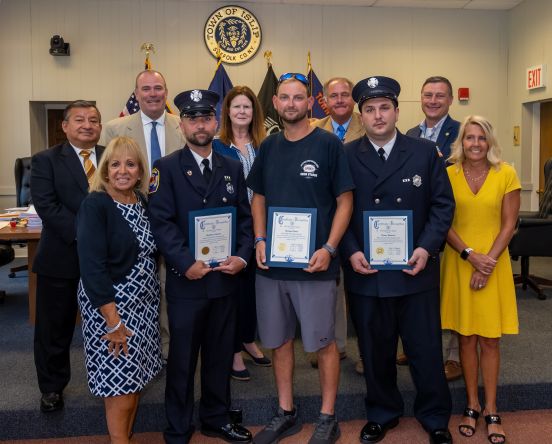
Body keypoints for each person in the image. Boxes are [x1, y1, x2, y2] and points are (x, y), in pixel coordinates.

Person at [340, 76, 455, 444]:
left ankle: (435, 416)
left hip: (415, 269)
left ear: (396, 111)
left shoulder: (424, 153)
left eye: (384, 108)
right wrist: (352, 250)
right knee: (375, 350)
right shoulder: (345, 156)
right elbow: (336, 210)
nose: (378, 116)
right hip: (367, 271)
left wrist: (426, 247)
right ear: (362, 115)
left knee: (424, 349)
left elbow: (442, 206)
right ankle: (382, 413)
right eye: (370, 109)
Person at [247, 73, 354, 444]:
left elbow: (345, 201)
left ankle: (327, 417)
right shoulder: (269, 147)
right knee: (278, 341)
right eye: (284, 98)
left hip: (315, 266)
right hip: (273, 265)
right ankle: (286, 411)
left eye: (298, 98)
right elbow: (258, 196)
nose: (291, 104)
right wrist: (259, 238)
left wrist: (328, 248)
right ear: (274, 104)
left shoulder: (328, 145)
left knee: (323, 343)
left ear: (310, 103)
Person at [147, 89, 253, 444]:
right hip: (187, 283)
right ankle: (178, 427)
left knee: (220, 355)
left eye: (206, 117)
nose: (200, 124)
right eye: (192, 118)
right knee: (182, 360)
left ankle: (215, 418)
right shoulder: (166, 168)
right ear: (183, 125)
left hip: (224, 281)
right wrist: (184, 263)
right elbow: (161, 223)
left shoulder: (232, 167)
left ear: (215, 121)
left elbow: (245, 220)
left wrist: (241, 256)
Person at [76, 136, 162, 444]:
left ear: (140, 171)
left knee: (135, 380)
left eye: (130, 164)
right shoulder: (96, 204)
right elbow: (92, 267)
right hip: (112, 309)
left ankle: (124, 437)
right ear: (105, 170)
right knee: (121, 386)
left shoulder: (140, 201)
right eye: (115, 164)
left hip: (143, 307)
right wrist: (112, 321)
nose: (122, 171)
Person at [440, 115, 520, 444]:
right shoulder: (448, 174)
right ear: (462, 141)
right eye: (469, 138)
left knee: (490, 340)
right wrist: (470, 256)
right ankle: (471, 404)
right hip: (460, 263)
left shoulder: (506, 174)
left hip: (494, 264)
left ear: (490, 142)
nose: (475, 144)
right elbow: (442, 222)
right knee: (466, 338)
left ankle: (491, 407)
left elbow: (509, 224)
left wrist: (486, 263)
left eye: (481, 138)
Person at [101, 69, 186, 361]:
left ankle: (172, 345)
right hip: (132, 216)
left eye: (158, 88)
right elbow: (108, 175)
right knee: (143, 284)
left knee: (170, 282)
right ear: (136, 94)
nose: (152, 94)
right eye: (146, 89)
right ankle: (148, 345)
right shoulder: (115, 127)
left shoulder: (182, 125)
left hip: (175, 220)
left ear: (166, 91)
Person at [30, 100, 105, 413]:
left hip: (105, 260)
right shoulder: (45, 160)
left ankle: (109, 381)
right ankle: (51, 387)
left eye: (93, 119)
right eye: (79, 119)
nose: (87, 125)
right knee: (54, 328)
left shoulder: (112, 156)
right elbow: (47, 206)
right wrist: (86, 236)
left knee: (108, 323)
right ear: (64, 126)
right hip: (62, 256)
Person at [402, 76, 462, 380]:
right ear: (421, 98)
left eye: (440, 95)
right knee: (419, 289)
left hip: (450, 222)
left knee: (450, 289)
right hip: (415, 224)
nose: (434, 100)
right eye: (428, 95)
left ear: (450, 99)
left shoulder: (462, 133)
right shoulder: (411, 133)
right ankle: (415, 346)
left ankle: (453, 355)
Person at [212, 85, 271, 382]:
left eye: (247, 107)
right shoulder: (217, 146)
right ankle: (233, 349)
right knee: (232, 291)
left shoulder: (265, 145)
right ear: (227, 111)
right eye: (237, 107)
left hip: (260, 227)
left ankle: (249, 339)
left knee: (253, 291)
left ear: (254, 112)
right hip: (231, 229)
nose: (242, 112)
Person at [311, 76, 365, 374]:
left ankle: (367, 353)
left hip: (360, 220)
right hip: (326, 222)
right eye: (334, 96)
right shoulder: (314, 130)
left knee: (362, 291)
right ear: (325, 101)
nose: (340, 100)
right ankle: (333, 346)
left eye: (345, 94)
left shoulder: (368, 123)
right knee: (330, 289)